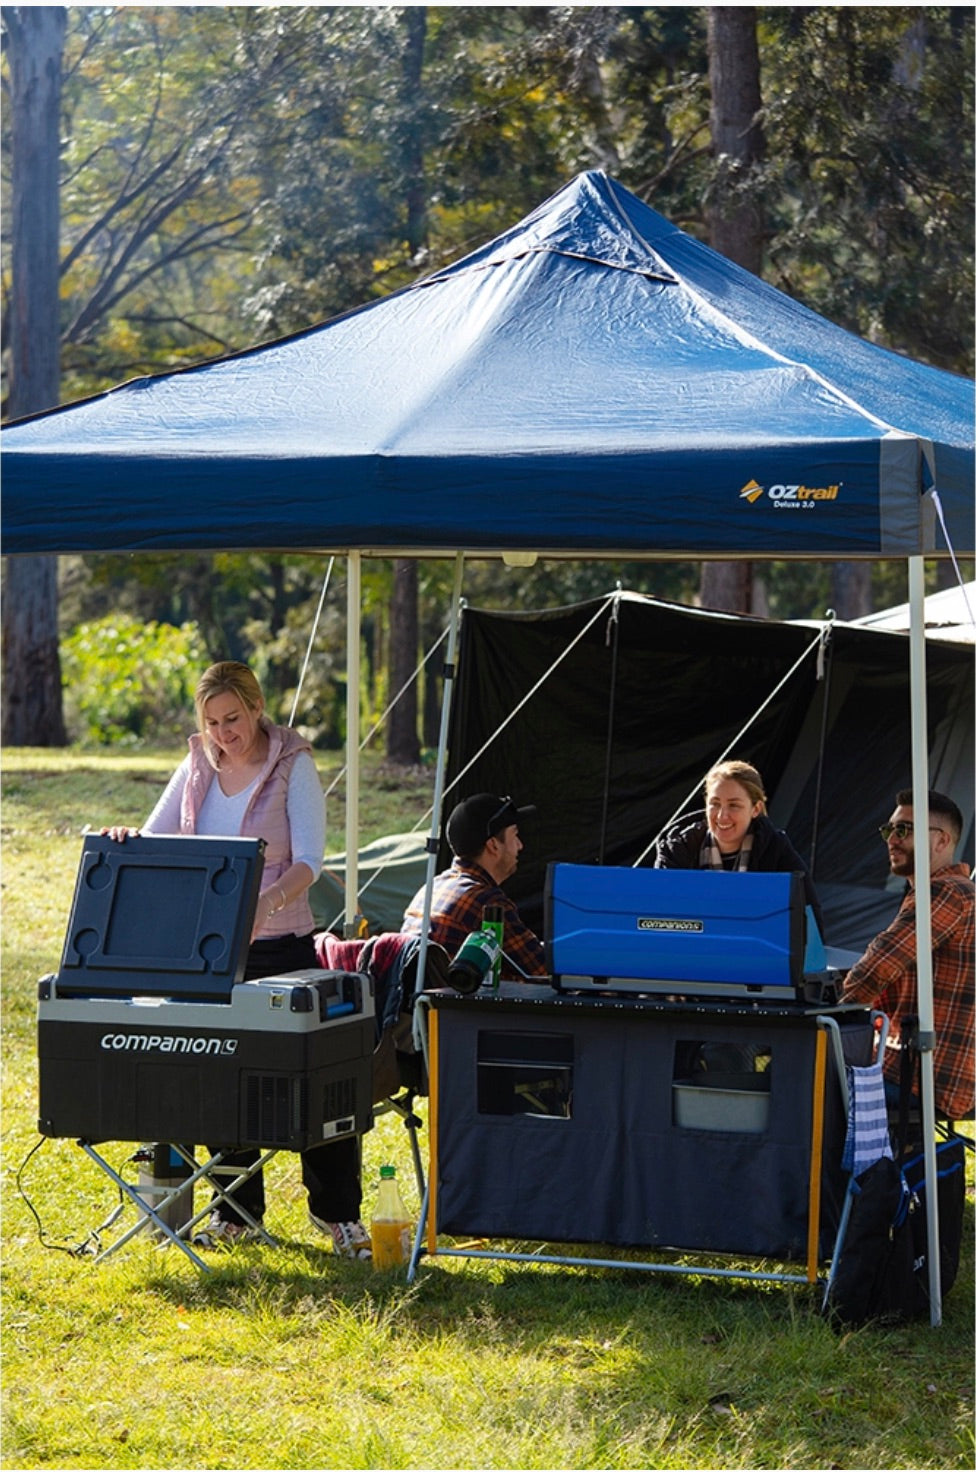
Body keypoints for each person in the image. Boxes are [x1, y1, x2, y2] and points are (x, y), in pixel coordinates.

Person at [103, 660, 371, 1258]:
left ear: (255, 708)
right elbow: (159, 836)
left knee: (310, 1078)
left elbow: (311, 861)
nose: (225, 733)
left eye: (233, 718)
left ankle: (338, 1215)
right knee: (218, 1078)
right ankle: (236, 1213)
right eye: (213, 722)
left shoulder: (293, 764)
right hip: (213, 952)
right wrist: (128, 838)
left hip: (284, 948)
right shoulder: (198, 763)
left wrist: (263, 903)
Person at [841, 789, 974, 1122]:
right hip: (937, 1071)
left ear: (941, 841)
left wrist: (822, 1007)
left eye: (905, 830)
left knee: (799, 1083)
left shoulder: (945, 893)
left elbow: (874, 969)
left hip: (926, 1076)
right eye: (889, 830)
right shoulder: (958, 892)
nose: (892, 839)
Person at [653, 758, 826, 940]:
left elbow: (811, 927)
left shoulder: (776, 849)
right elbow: (657, 921)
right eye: (715, 803)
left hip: (756, 960)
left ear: (756, 809)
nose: (722, 816)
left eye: (734, 805)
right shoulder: (677, 850)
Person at [401, 793, 547, 980]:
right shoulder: (487, 902)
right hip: (457, 1007)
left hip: (422, 1006)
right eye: (515, 835)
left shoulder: (431, 888)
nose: (520, 845)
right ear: (493, 845)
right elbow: (542, 972)